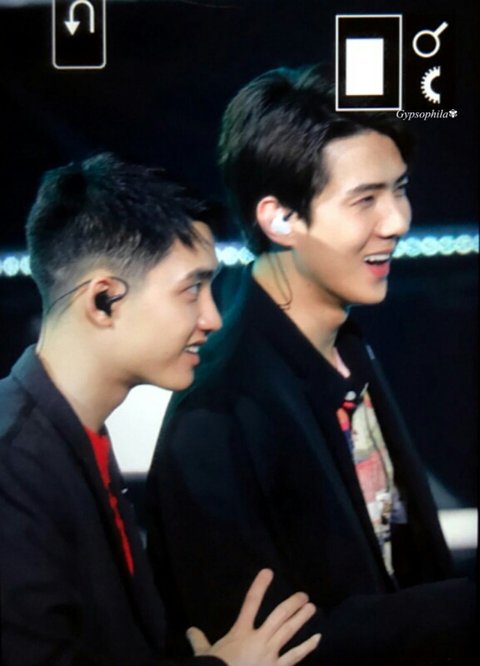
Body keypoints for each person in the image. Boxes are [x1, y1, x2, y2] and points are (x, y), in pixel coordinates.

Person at [146, 67, 476, 665]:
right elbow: (280, 642)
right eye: (365, 199)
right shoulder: (219, 410)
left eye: (399, 189)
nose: (398, 221)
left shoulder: (347, 344)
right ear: (280, 219)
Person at [0, 153, 322, 666]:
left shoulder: (67, 442)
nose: (213, 317)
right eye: (192, 289)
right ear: (104, 300)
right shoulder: (13, 466)